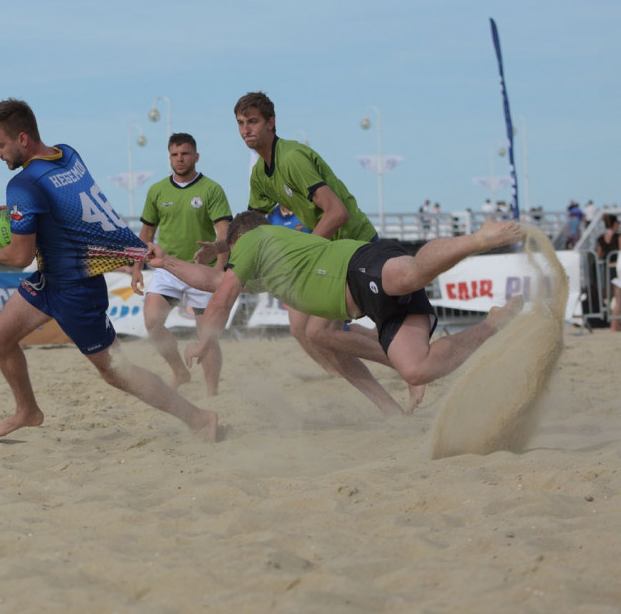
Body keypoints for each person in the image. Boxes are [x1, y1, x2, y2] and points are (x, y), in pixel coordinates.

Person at [0, 98, 217, 441]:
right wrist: (21, 210)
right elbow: (67, 201)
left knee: (117, 372)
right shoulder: (66, 154)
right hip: (50, 282)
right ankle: (27, 410)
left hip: (76, 291)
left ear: (23, 139)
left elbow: (18, 256)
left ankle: (198, 417)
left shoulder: (24, 184)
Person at [149, 211, 525, 409]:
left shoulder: (254, 240)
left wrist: (203, 342)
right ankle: (492, 325)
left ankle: (481, 237)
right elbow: (211, 281)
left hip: (359, 267)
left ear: (239, 242)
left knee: (410, 273)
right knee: (416, 368)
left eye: (232, 253)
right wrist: (166, 262)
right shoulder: (269, 271)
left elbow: (222, 298)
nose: (231, 262)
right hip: (371, 306)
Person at [197, 91, 415, 414]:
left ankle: (407, 366)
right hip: (331, 254)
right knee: (307, 330)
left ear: (271, 123)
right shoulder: (260, 173)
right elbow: (250, 226)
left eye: (253, 122)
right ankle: (393, 399)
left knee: (321, 331)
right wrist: (221, 245)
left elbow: (337, 212)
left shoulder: (292, 158)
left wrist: (304, 254)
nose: (246, 130)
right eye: (241, 124)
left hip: (357, 246)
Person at [130, 133, 232, 396]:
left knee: (207, 336)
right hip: (168, 267)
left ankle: (213, 393)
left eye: (185, 154)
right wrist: (136, 268)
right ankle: (180, 372)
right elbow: (146, 235)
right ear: (169, 157)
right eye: (175, 154)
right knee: (153, 322)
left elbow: (225, 234)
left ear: (196, 156)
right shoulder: (157, 190)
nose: (180, 159)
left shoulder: (211, 189)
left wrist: (219, 272)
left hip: (201, 271)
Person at [595, 213, 620, 331]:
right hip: (617, 269)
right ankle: (614, 325)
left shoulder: (601, 238)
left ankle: (610, 321)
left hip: (605, 269)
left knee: (608, 297)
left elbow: (599, 254)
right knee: (618, 299)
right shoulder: (618, 237)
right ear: (615, 223)